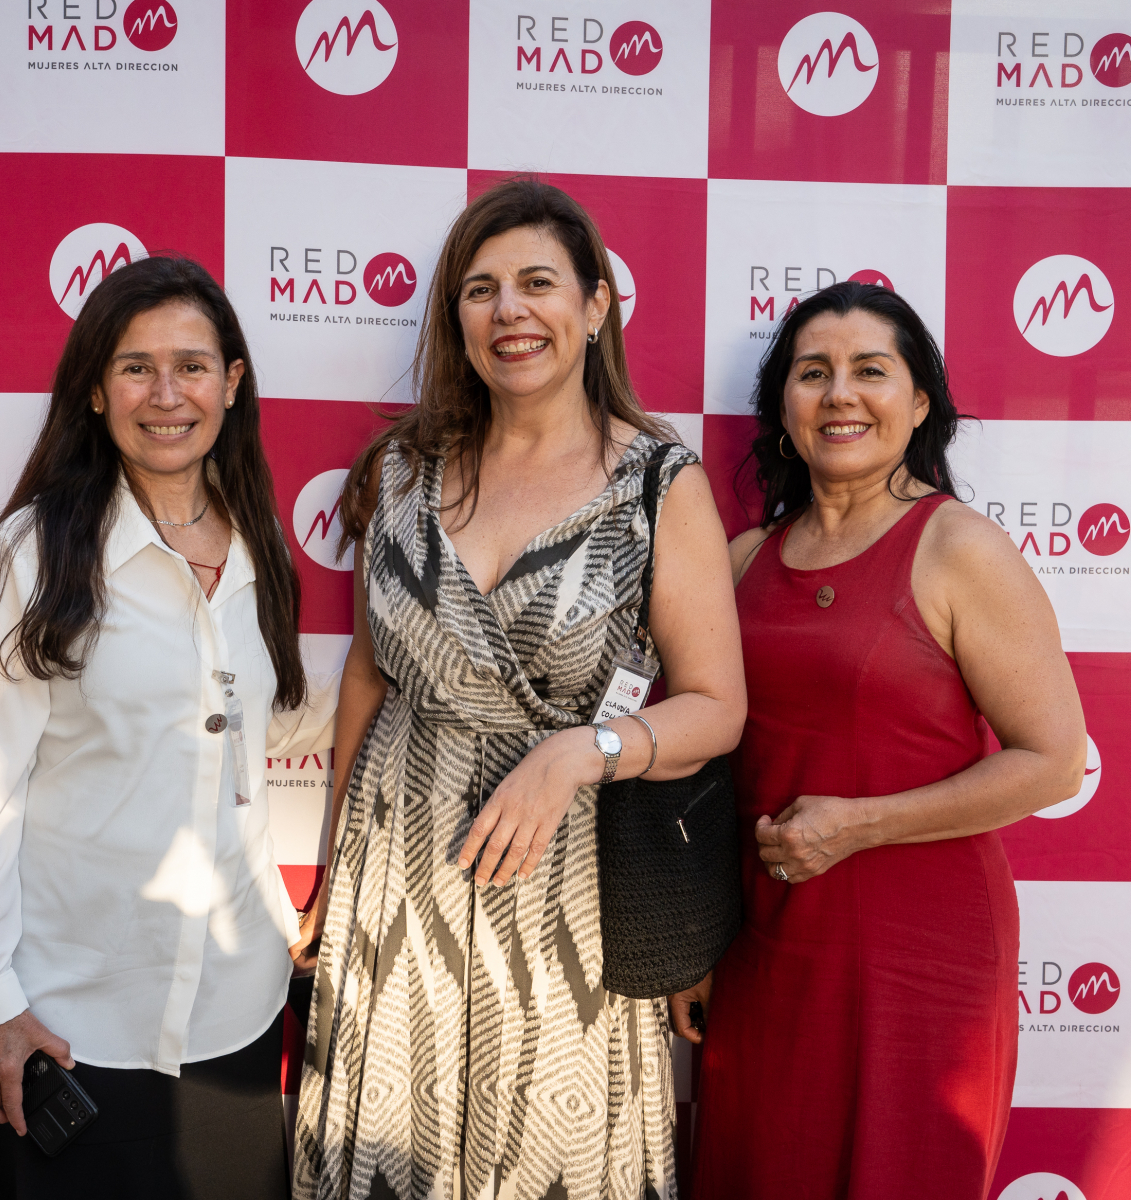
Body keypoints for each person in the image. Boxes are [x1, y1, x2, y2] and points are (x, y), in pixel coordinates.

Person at [289, 178, 747, 1200]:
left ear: (596, 305)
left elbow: (718, 706)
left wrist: (582, 752)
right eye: (481, 289)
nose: (510, 311)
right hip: (396, 875)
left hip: (566, 884)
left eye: (538, 283)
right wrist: (333, 864)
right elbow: (369, 670)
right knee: (390, 1152)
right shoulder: (400, 470)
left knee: (552, 1162)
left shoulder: (658, 485)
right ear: (456, 317)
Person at [0, 254, 337, 1200]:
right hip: (71, 1025)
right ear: (97, 391)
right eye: (136, 367)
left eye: (192, 366)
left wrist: (402, 676)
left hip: (236, 1014)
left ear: (233, 383)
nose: (166, 394)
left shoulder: (258, 545)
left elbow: (251, 725)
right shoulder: (35, 551)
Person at [684, 281, 1087, 1198]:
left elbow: (1055, 761)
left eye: (871, 370)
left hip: (920, 956)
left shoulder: (959, 549)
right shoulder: (740, 562)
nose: (840, 395)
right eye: (812, 373)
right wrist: (687, 947)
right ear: (783, 408)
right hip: (763, 950)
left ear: (920, 403)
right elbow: (702, 766)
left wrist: (860, 825)